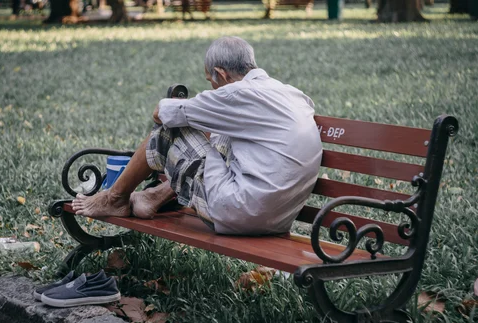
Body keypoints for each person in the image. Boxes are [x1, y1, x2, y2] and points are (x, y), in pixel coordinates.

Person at [72, 36, 322, 235]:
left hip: (236, 214)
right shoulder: (292, 94)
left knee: (167, 133)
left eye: (210, 81)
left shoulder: (235, 94)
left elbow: (161, 113)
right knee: (222, 135)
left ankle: (115, 198)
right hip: (278, 220)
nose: (211, 87)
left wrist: (204, 116)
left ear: (221, 74)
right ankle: (153, 196)